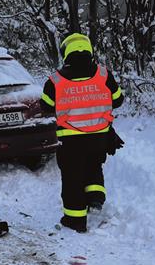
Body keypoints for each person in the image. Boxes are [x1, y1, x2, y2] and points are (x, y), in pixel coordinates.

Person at [41, 33, 124, 233]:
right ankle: (95, 198)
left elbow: (46, 106)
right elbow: (118, 100)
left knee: (72, 177)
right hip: (99, 136)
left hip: (70, 140)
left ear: (66, 53)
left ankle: (75, 219)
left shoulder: (55, 80)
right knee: (94, 165)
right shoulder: (104, 75)